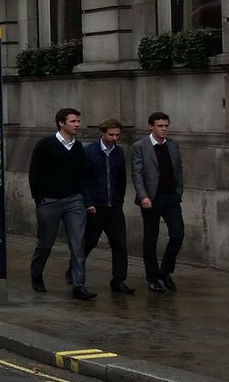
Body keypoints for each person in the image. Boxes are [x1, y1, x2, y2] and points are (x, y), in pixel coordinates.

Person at [28, 107, 93, 300]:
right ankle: (36, 274)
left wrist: (82, 196)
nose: (77, 125)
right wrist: (39, 199)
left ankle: (79, 284)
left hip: (74, 200)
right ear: (61, 123)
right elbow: (34, 173)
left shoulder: (79, 147)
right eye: (73, 121)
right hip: (50, 201)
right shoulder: (45, 145)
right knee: (46, 243)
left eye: (78, 121)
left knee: (78, 243)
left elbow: (83, 174)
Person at [130, 111, 184, 293]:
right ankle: (152, 277)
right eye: (160, 126)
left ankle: (165, 271)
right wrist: (143, 196)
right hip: (151, 199)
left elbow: (179, 170)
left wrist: (178, 192)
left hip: (171, 197)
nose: (164, 129)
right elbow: (137, 174)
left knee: (178, 234)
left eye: (166, 126)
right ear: (151, 127)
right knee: (151, 239)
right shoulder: (140, 146)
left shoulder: (173, 145)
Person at [81, 118, 133, 294]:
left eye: (117, 135)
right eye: (111, 135)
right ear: (102, 133)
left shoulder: (118, 153)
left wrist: (119, 199)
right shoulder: (90, 152)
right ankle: (74, 272)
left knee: (119, 243)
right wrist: (88, 202)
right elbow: (84, 180)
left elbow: (121, 179)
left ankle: (118, 279)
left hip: (114, 205)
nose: (114, 138)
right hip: (96, 205)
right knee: (89, 242)